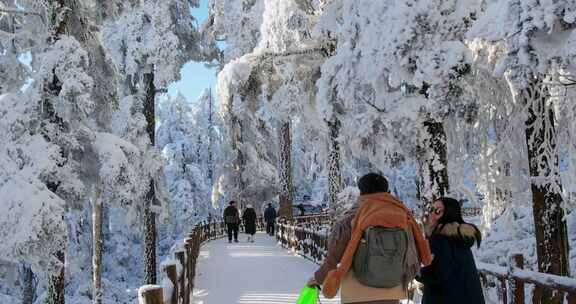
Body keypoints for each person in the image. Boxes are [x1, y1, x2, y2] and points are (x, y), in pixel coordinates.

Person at [308, 173, 432, 304]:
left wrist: (318, 278)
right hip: (391, 293)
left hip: (357, 296)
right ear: (387, 191)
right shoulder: (403, 217)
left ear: (361, 192)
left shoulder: (350, 220)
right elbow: (414, 254)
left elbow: (332, 259)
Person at [416, 197, 485, 304]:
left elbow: (438, 274)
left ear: (449, 214)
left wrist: (415, 272)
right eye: (431, 209)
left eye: (437, 211)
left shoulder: (441, 239)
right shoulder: (459, 238)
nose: (431, 214)